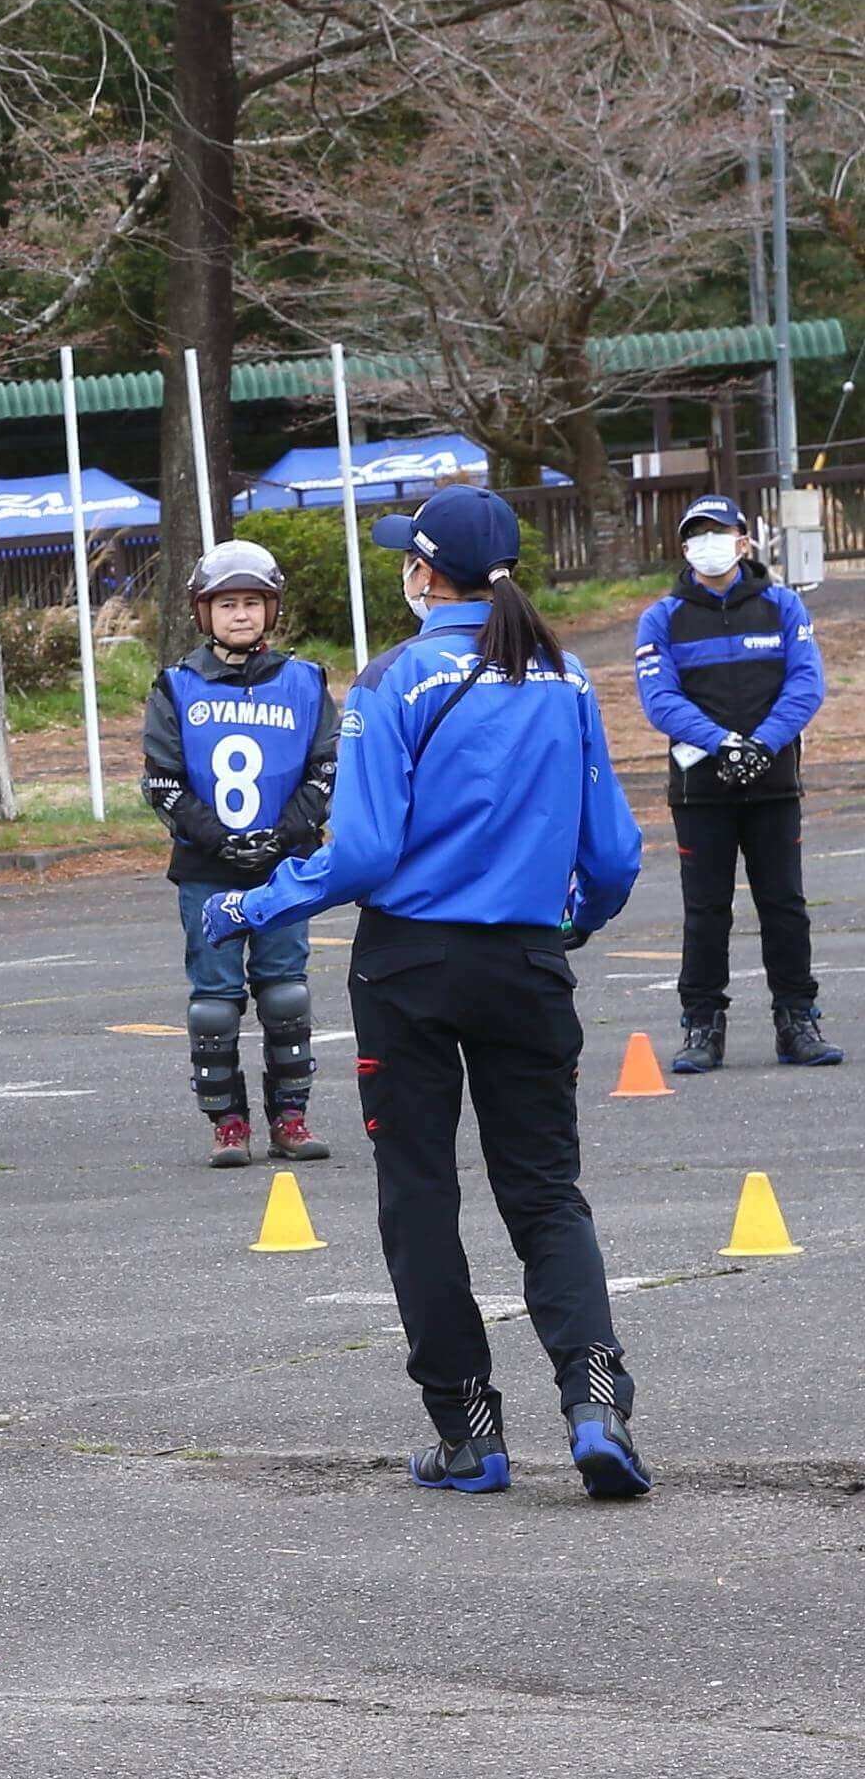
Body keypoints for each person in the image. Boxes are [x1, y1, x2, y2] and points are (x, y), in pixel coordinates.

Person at [207, 484, 648, 1498]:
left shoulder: (393, 681)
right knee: (543, 1191)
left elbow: (359, 851)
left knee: (420, 1195)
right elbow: (614, 856)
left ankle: (469, 1430)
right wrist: (566, 921)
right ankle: (595, 1400)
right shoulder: (565, 676)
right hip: (527, 962)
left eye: (409, 555)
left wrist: (248, 908)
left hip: (407, 963)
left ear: (426, 572)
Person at [139, 541, 339, 1165]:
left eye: (253, 602)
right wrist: (220, 840)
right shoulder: (176, 686)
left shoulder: (306, 682)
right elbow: (163, 782)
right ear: (204, 612)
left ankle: (290, 1118)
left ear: (271, 609)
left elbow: (326, 770)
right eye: (227, 603)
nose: (241, 615)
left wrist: (282, 837)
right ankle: (228, 1123)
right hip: (208, 870)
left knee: (285, 994)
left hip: (285, 868)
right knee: (215, 1002)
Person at [633, 493, 834, 1072]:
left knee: (785, 905)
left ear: (744, 541)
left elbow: (806, 684)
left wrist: (762, 743)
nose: (709, 543)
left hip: (772, 782)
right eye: (697, 533)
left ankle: (797, 1019)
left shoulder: (782, 606)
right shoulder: (663, 617)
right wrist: (723, 742)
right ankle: (701, 1025)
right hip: (702, 790)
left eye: (719, 531)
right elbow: (660, 698)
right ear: (685, 547)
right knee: (705, 910)